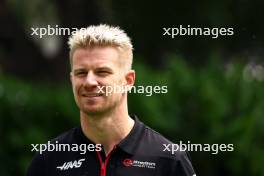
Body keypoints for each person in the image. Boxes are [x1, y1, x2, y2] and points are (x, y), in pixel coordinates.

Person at [27, 24, 196, 176]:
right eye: (81, 73)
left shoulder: (168, 159)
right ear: (72, 80)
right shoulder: (49, 159)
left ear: (128, 81)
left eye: (102, 72)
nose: (89, 82)